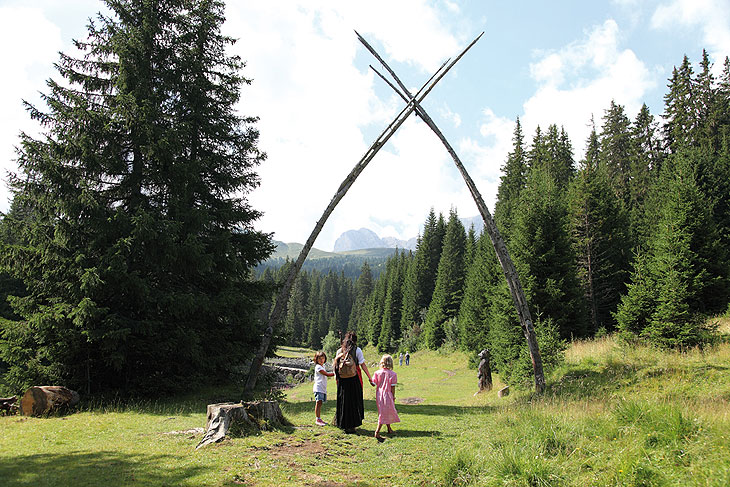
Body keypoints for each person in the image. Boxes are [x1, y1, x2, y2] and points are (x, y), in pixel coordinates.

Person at [333, 331, 374, 433]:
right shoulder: (357, 350)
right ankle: (352, 425)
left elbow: (335, 366)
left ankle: (342, 423)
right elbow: (362, 364)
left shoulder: (339, 351)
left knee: (343, 401)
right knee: (353, 402)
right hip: (353, 379)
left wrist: (336, 378)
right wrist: (370, 378)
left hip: (342, 380)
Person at [372, 354, 400, 441]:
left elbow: (374, 383)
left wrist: (370, 379)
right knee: (384, 412)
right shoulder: (393, 374)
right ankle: (377, 432)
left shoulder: (377, 373)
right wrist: (393, 396)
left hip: (379, 394)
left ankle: (389, 429)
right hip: (387, 395)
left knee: (384, 411)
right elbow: (392, 387)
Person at [313, 351, 334, 426]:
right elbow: (327, 374)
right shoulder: (318, 367)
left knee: (320, 403)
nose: (322, 360)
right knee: (318, 402)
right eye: (319, 358)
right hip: (318, 388)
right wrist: (335, 373)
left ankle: (319, 418)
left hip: (322, 388)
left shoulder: (323, 366)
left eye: (323, 358)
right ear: (316, 359)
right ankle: (317, 419)